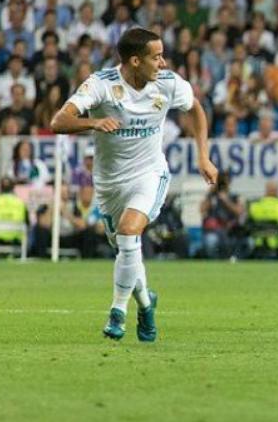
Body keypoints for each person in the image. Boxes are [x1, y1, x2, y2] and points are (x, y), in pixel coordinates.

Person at [51, 27, 218, 342]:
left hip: (150, 174)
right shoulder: (102, 85)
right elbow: (59, 121)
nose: (163, 63)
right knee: (127, 251)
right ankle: (145, 302)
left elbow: (195, 108)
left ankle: (118, 313)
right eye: (156, 57)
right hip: (109, 183)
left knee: (130, 232)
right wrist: (93, 122)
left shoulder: (168, 84)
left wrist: (204, 157)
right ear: (135, 61)